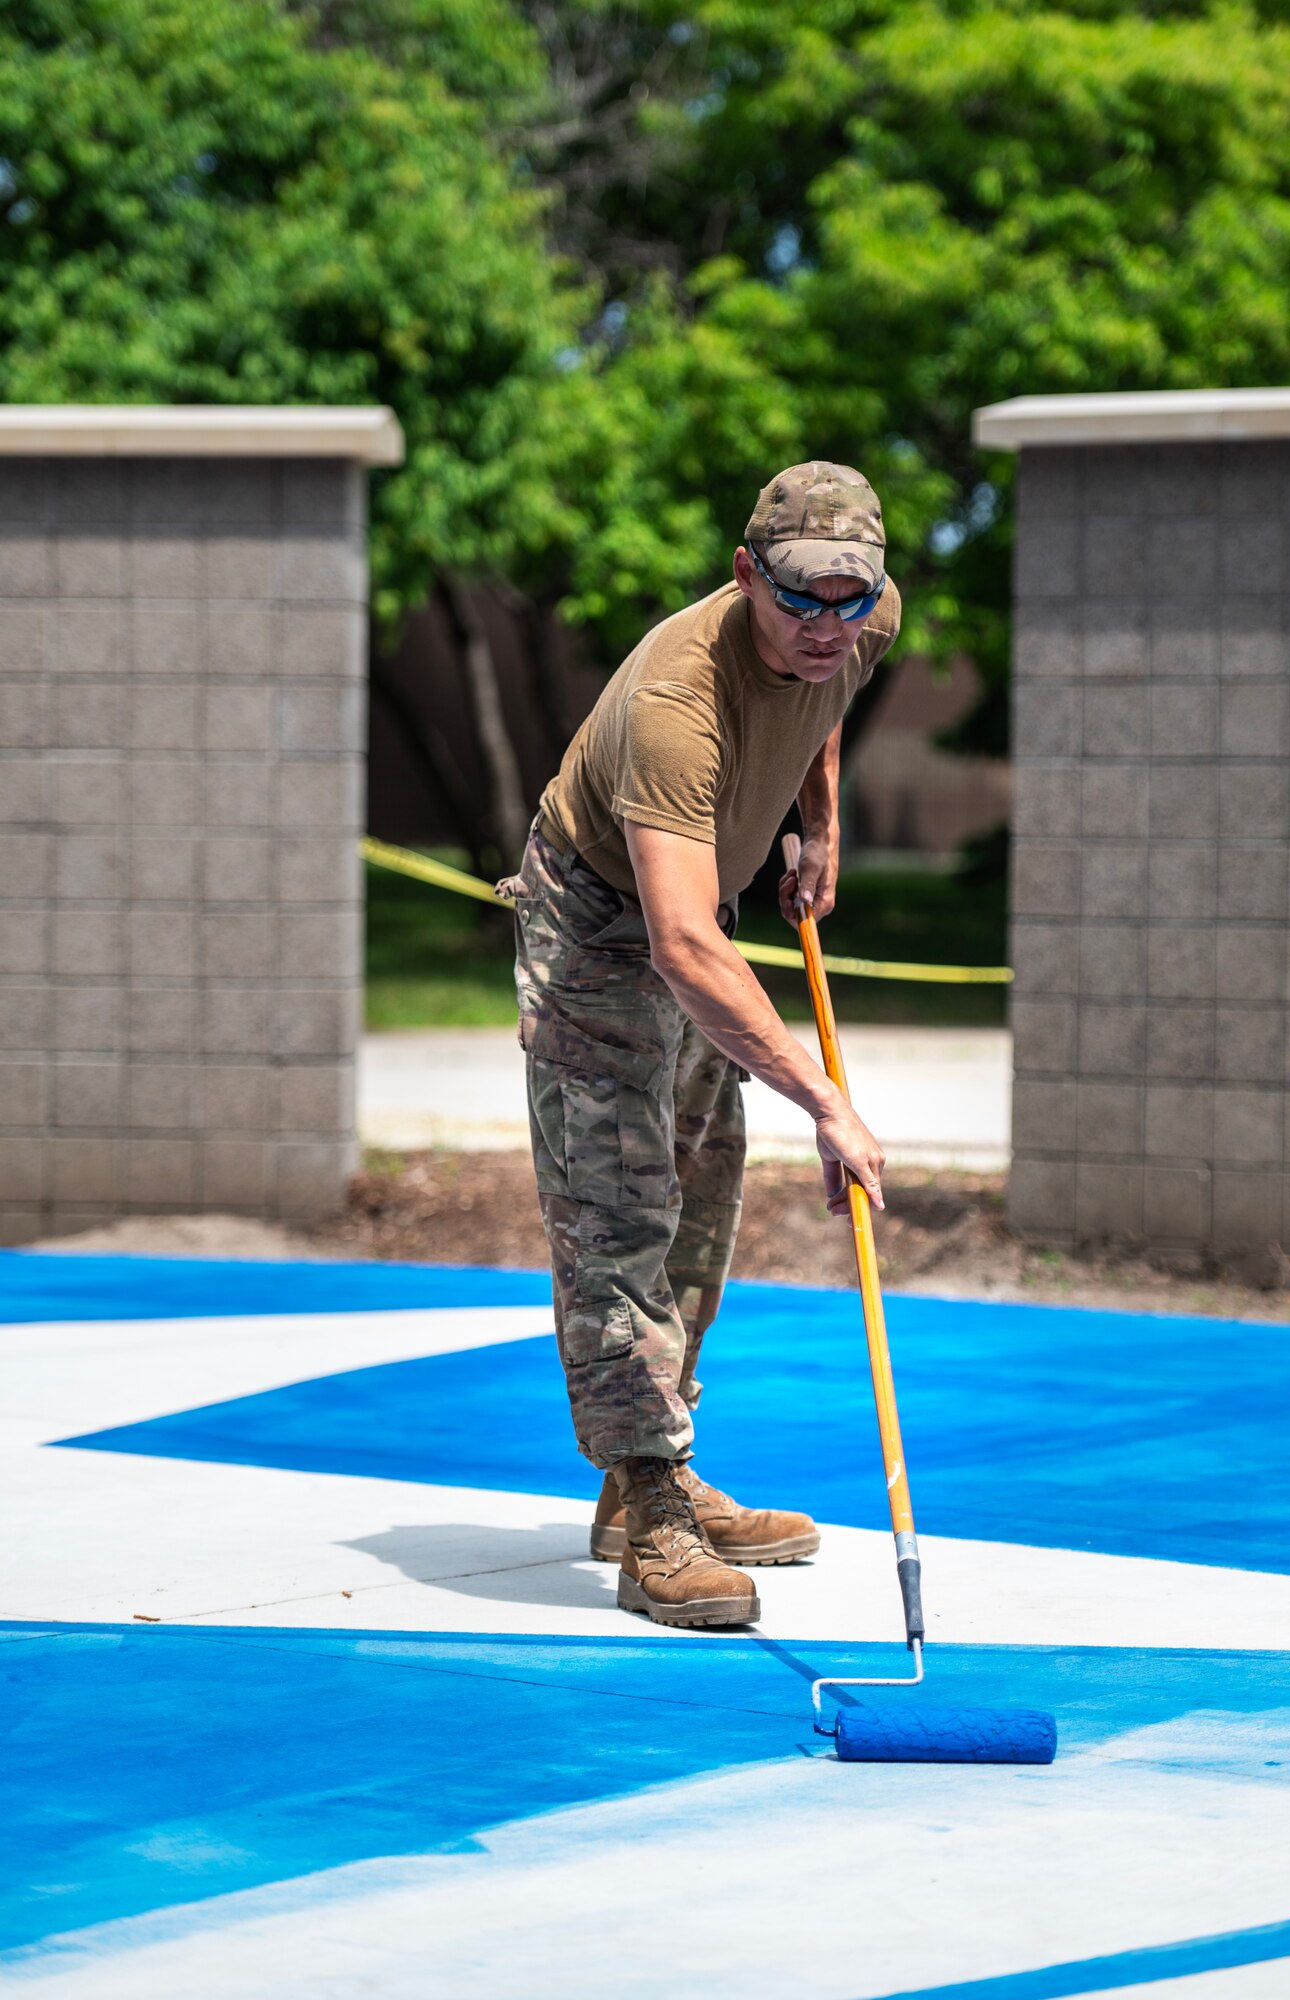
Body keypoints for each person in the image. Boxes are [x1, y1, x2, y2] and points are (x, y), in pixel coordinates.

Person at [506, 462, 898, 1629]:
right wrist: (826, 1099)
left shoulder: (859, 616)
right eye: (800, 601)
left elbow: (822, 702)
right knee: (618, 1209)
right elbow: (679, 938)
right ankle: (652, 1507)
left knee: (700, 1195)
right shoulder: (676, 698)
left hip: (695, 909)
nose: (829, 625)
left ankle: (650, 1481)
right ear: (746, 575)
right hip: (600, 918)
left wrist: (814, 820)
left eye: (851, 598)